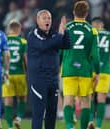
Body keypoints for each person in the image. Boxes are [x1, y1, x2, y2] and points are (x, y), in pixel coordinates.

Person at [27, 10, 70, 129]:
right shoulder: (33, 34)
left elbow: (67, 45)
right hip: (38, 80)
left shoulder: (54, 34)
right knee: (38, 113)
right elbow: (44, 45)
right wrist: (60, 35)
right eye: (44, 18)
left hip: (53, 79)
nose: (47, 21)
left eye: (49, 18)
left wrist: (65, 31)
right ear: (37, 20)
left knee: (51, 114)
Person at [62, 1, 100, 129]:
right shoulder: (93, 31)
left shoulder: (66, 27)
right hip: (85, 69)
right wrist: (98, 72)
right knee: (85, 102)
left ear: (74, 12)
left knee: (68, 100)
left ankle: (69, 127)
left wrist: (58, 65)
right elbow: (96, 54)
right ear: (87, 14)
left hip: (68, 68)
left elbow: (60, 50)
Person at [2, 21, 27, 129]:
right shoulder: (23, 41)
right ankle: (19, 118)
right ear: (19, 30)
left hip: (7, 74)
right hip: (20, 73)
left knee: (8, 101)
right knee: (22, 99)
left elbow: (2, 57)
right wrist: (27, 72)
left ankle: (9, 126)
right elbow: (25, 59)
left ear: (9, 29)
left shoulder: (4, 40)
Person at [88, 17, 110, 129]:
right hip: (105, 71)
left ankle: (90, 121)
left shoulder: (91, 34)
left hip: (91, 70)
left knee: (90, 97)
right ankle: (99, 126)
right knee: (101, 98)